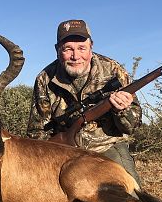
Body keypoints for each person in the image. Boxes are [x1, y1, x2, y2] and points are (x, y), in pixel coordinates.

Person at [27, 19, 142, 185]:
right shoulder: (45, 79)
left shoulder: (113, 71)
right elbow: (36, 132)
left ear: (91, 47)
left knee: (133, 199)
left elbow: (132, 126)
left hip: (106, 147)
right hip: (62, 152)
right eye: (68, 49)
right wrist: (45, 161)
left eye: (82, 48)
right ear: (57, 50)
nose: (75, 56)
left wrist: (121, 110)